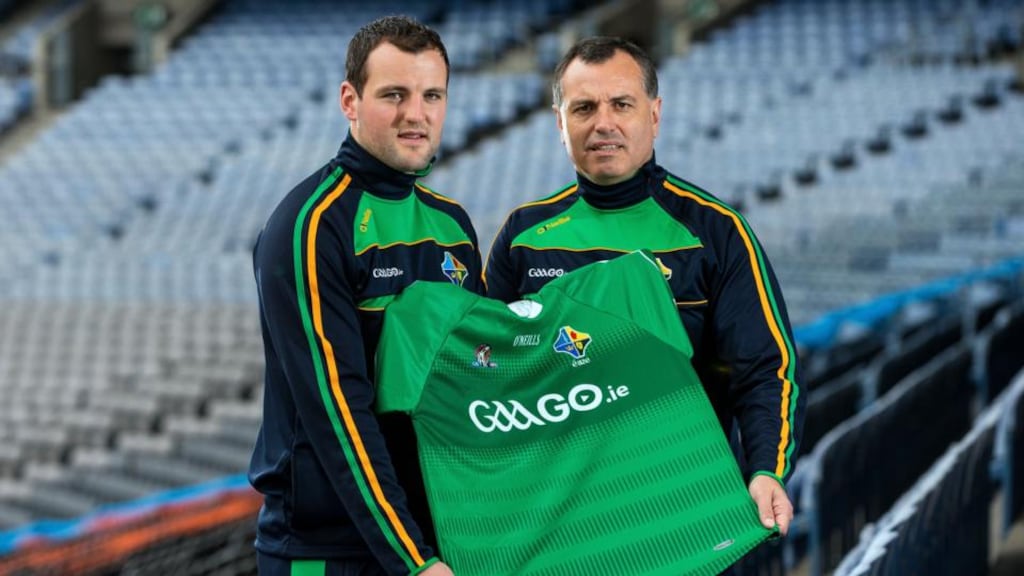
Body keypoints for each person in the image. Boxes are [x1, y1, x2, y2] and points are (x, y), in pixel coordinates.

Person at [484, 37, 805, 539]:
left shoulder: (715, 232)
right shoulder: (521, 236)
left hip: (680, 521)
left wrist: (767, 469)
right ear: (559, 122)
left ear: (653, 115)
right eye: (584, 107)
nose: (602, 123)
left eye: (621, 105)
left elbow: (767, 368)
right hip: (558, 531)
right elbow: (488, 376)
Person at [248, 15, 482, 576]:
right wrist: (414, 559)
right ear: (349, 101)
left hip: (438, 542)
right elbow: (338, 413)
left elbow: (476, 382)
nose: (415, 114)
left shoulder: (453, 225)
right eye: (393, 95)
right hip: (328, 552)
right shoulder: (310, 227)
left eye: (432, 95)